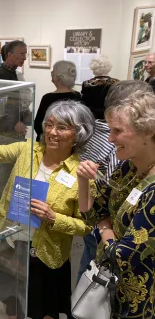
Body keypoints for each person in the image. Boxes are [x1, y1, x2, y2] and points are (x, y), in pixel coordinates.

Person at [0, 100, 95, 319]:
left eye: (62, 127)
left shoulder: (80, 173)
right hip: (13, 241)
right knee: (12, 303)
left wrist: (53, 217)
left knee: (43, 309)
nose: (52, 132)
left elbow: (86, 225)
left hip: (46, 253)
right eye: (49, 124)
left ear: (79, 134)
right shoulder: (28, 150)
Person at [77, 89, 155, 318]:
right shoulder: (128, 167)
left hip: (136, 297)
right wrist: (83, 180)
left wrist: (103, 227)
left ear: (148, 131)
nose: (110, 139)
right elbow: (91, 214)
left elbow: (123, 256)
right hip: (108, 282)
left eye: (118, 131)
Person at [0, 40, 32, 204]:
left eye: (26, 54)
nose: (24, 58)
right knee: (6, 163)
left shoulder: (11, 73)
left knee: (0, 159)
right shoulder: (1, 75)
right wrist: (15, 123)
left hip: (6, 125)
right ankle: (3, 200)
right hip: (6, 127)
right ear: (10, 54)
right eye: (21, 54)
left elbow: (14, 102)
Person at [34, 60, 81, 141]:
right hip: (69, 143)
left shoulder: (47, 98)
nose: (51, 72)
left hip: (50, 142)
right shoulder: (77, 96)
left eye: (53, 70)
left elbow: (38, 126)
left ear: (58, 77)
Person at [81, 55, 119, 120]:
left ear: (93, 68)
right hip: (109, 117)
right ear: (108, 68)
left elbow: (84, 103)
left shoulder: (86, 84)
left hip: (92, 117)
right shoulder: (116, 83)